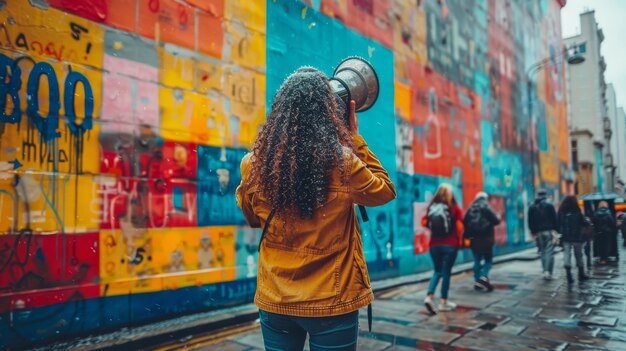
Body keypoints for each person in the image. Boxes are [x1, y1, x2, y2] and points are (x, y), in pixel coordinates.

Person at [235, 67, 396, 351]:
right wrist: (354, 137)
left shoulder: (254, 165)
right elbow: (384, 190)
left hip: (276, 301)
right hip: (331, 303)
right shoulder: (344, 163)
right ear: (328, 115)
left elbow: (251, 218)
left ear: (279, 113)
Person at [421, 183, 464, 314]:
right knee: (446, 273)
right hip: (450, 245)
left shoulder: (432, 207)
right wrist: (459, 241)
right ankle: (443, 302)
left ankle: (429, 296)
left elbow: (424, 222)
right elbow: (460, 227)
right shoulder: (454, 208)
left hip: (434, 245)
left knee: (437, 271)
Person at [463, 192, 501, 292]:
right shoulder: (486, 206)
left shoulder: (470, 208)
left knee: (477, 260)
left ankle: (477, 282)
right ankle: (483, 277)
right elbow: (496, 221)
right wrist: (497, 216)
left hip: (474, 240)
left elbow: (465, 223)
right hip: (487, 239)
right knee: (488, 260)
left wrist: (467, 236)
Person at [557, 196, 590, 283]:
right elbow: (584, 223)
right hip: (577, 237)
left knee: (567, 254)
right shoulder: (577, 212)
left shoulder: (561, 212)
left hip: (566, 237)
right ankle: (581, 274)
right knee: (579, 255)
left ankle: (569, 274)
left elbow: (558, 224)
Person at [527, 190, 558, 280]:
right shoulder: (549, 205)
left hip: (538, 232)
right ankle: (548, 272)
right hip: (548, 231)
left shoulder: (532, 206)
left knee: (543, 252)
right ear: (546, 195)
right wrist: (556, 230)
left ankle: (545, 271)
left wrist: (533, 231)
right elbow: (554, 219)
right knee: (549, 251)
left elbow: (530, 220)